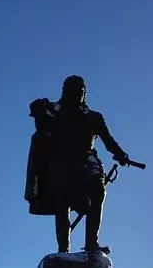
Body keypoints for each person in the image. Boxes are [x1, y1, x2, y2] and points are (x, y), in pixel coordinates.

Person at [27, 75, 131, 253]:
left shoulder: (93, 117)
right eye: (73, 90)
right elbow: (42, 129)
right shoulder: (54, 111)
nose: (78, 94)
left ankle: (91, 243)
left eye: (81, 91)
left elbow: (108, 140)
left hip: (87, 161)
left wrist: (121, 155)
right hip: (61, 161)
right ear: (65, 92)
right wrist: (39, 111)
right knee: (62, 201)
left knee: (98, 192)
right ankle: (63, 249)